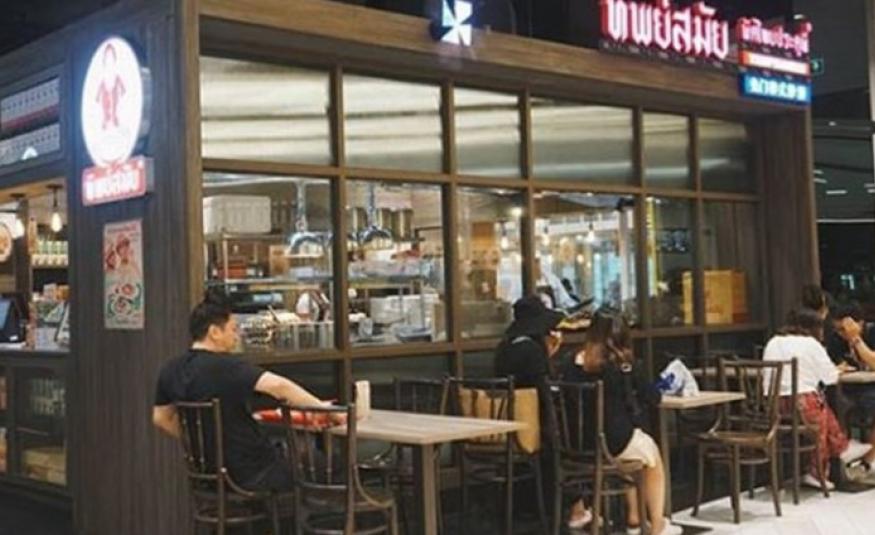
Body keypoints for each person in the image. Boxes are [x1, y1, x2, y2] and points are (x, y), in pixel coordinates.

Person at [152, 293, 336, 492]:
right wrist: (327, 410)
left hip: (209, 478)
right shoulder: (227, 366)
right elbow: (279, 387)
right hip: (254, 473)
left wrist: (201, 444)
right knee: (327, 463)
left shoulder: (170, 369)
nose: (237, 335)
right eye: (233, 329)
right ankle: (319, 512)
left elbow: (160, 418)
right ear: (214, 332)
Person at [563, 307, 681, 535]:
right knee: (652, 457)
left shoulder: (571, 362)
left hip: (578, 444)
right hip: (614, 441)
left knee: (636, 451)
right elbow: (653, 397)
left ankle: (635, 518)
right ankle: (657, 524)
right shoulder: (624, 364)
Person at [762, 308, 873, 488]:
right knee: (820, 406)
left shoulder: (773, 342)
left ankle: (839, 450)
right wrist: (837, 370)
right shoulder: (811, 344)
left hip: (773, 408)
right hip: (802, 405)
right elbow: (830, 378)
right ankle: (825, 464)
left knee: (823, 407)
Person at [827, 301, 875, 462]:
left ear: (860, 323)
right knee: (833, 405)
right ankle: (843, 455)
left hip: (871, 386)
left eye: (843, 329)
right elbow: (832, 365)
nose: (841, 334)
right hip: (846, 387)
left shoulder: (872, 333)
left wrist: (855, 338)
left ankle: (870, 459)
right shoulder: (835, 339)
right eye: (838, 329)